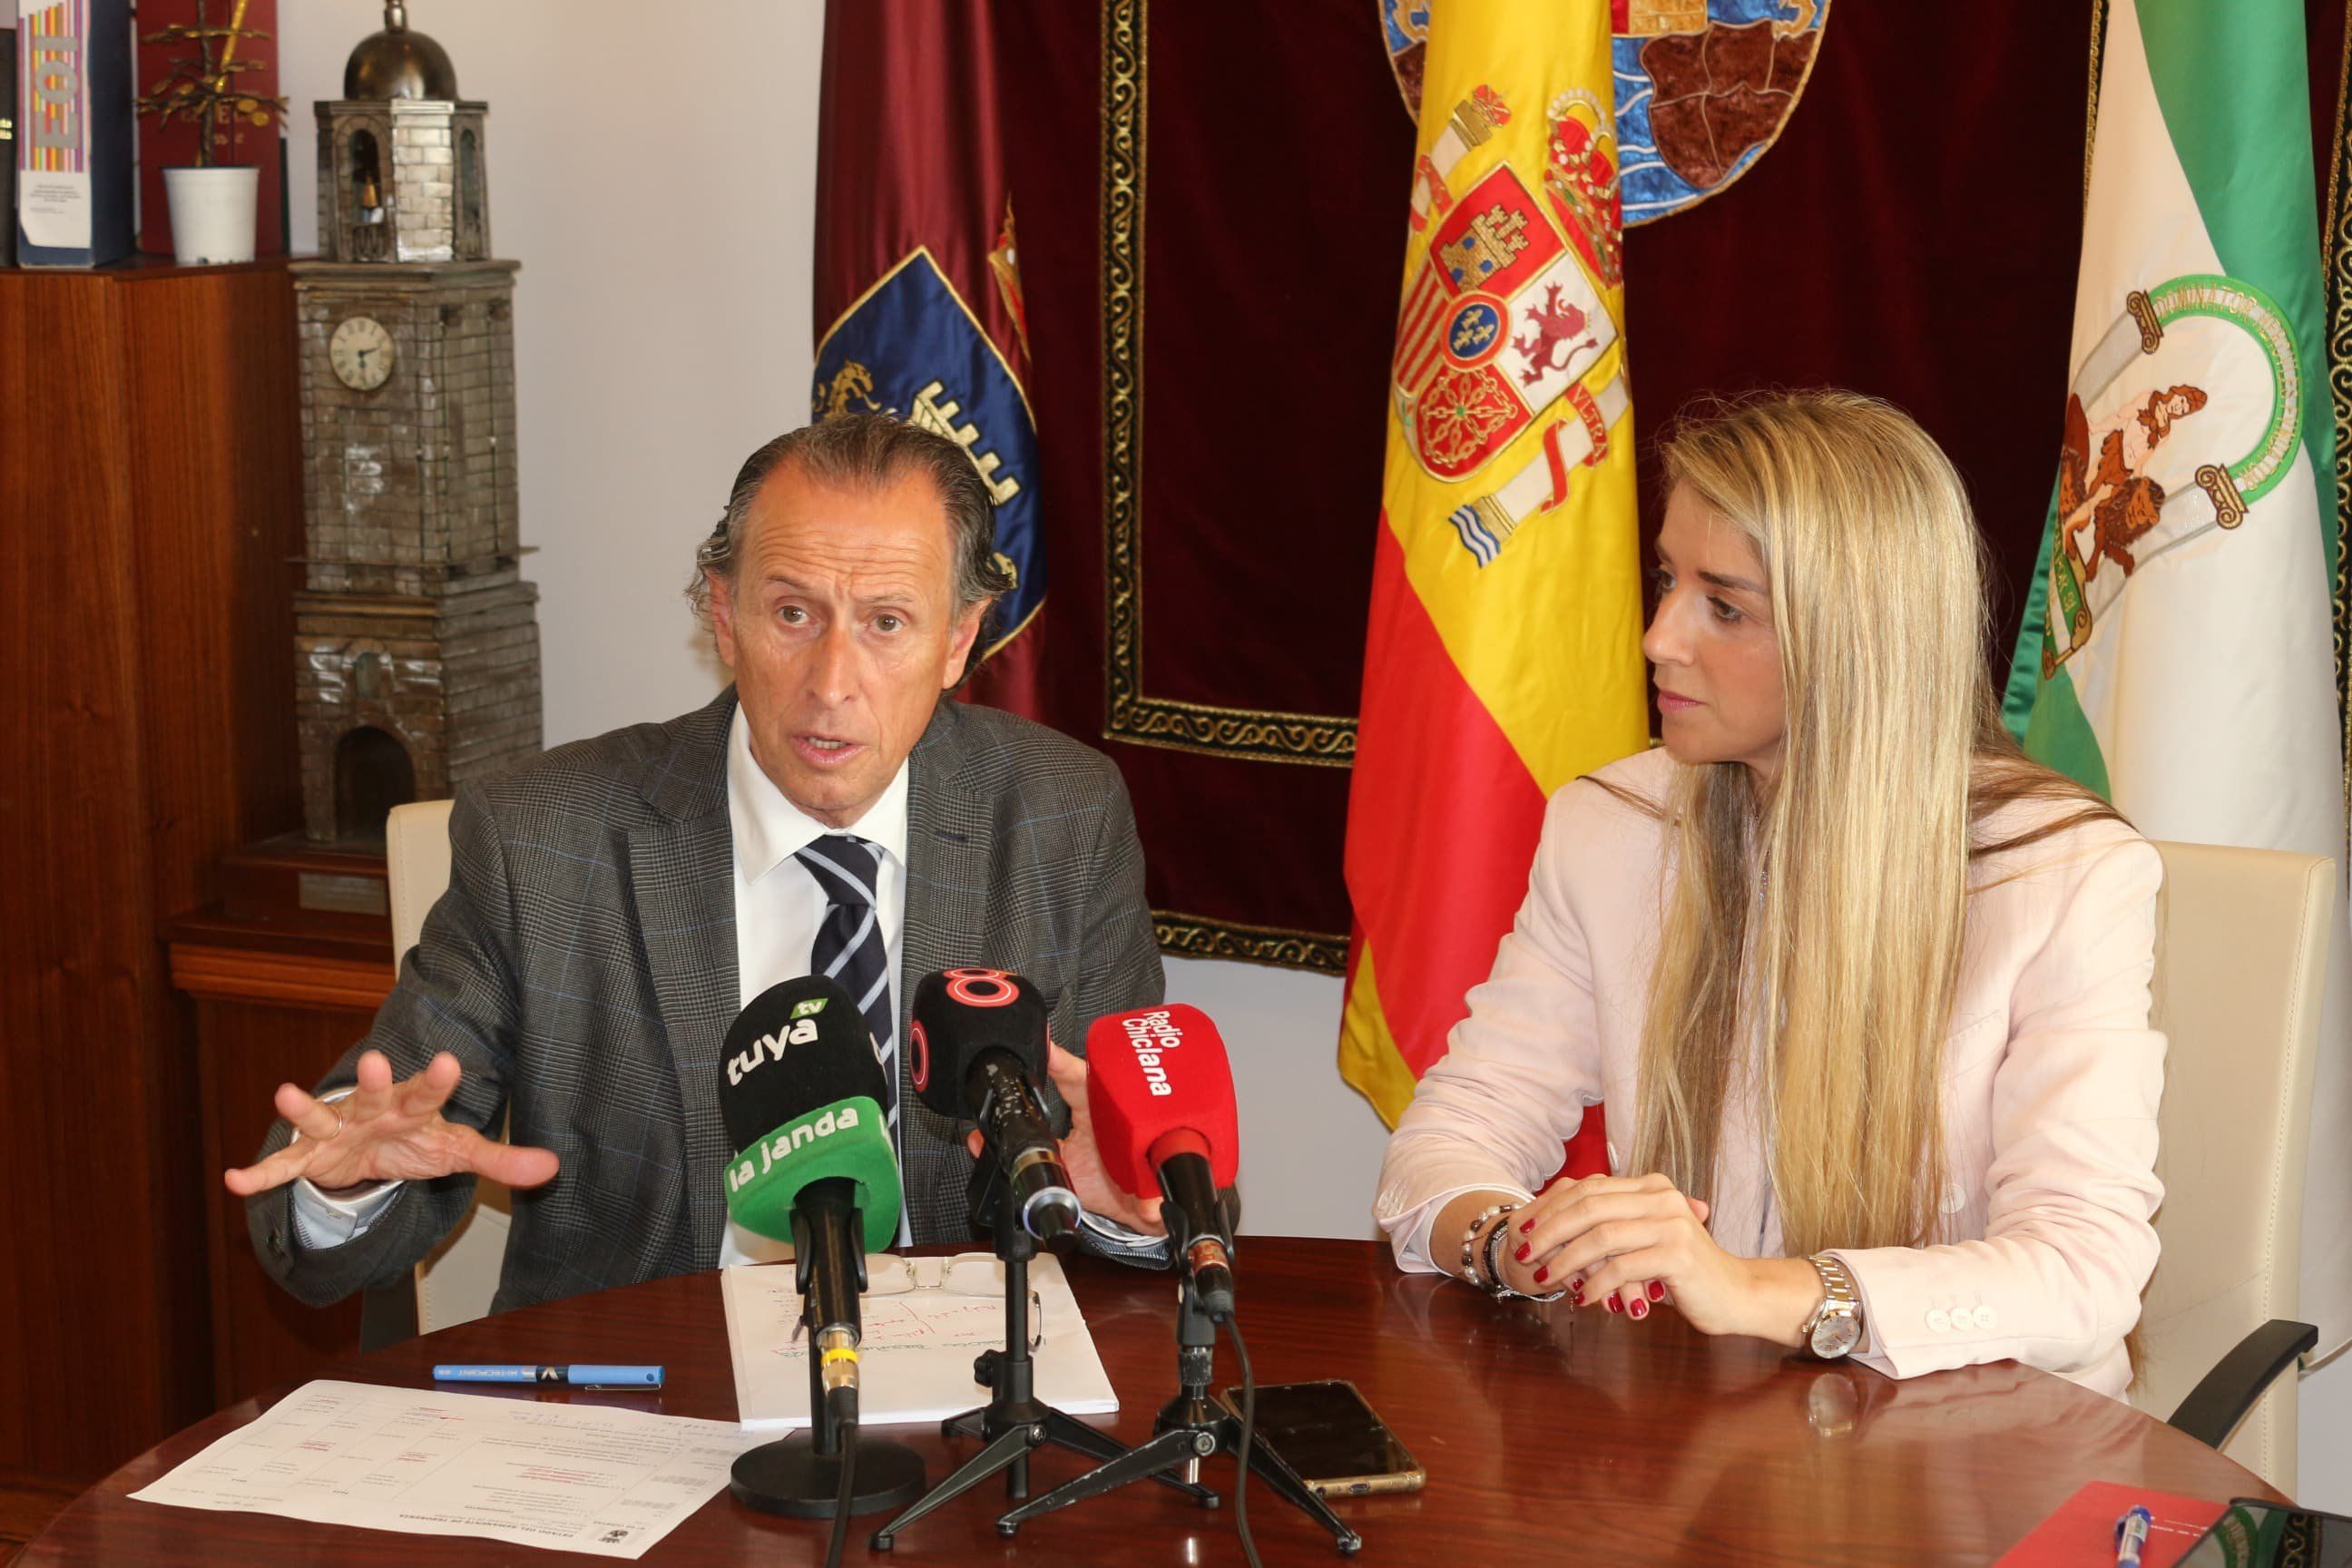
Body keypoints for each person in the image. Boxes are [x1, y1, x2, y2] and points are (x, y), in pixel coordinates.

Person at [229, 415, 1167, 1314]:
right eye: (793, 612)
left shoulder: (1061, 816)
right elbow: (371, 1148)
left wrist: (1121, 1201)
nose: (832, 683)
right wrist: (342, 1187)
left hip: (969, 1396)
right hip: (655, 1395)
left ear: (959, 640)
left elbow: (1163, 1180)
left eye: (887, 623)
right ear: (723, 616)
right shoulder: (544, 839)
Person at [1375, 390, 2164, 1398]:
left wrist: (1760, 1292)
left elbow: (2084, 1275)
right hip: (1712, 1440)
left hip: (1982, 1453)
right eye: (1668, 581)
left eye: (1725, 606)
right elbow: (1454, 1131)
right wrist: (1511, 1240)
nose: (1661, 637)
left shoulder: (2065, 876)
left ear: (1855, 637)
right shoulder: (1608, 825)